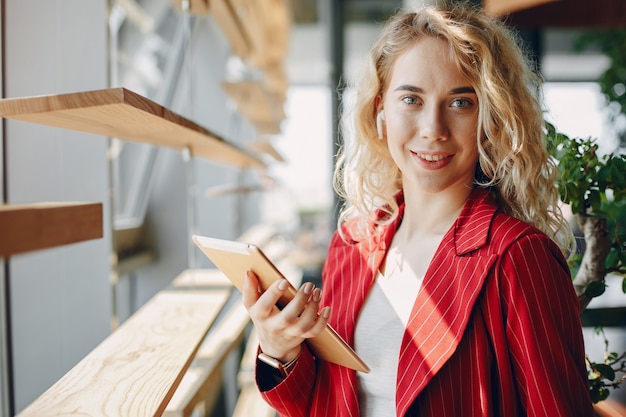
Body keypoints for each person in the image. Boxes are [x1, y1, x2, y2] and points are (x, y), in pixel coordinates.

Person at [242, 2, 594, 416]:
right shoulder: (352, 245)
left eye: (461, 102)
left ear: (491, 116)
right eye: (411, 99)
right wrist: (277, 351)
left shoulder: (516, 256)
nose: (433, 129)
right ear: (381, 113)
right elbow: (328, 403)